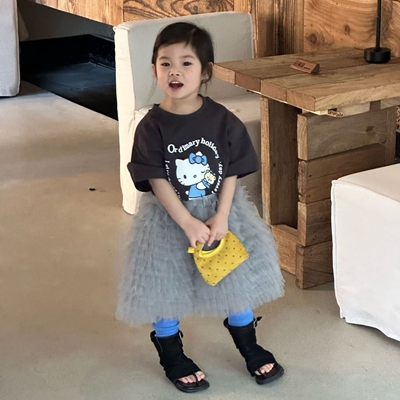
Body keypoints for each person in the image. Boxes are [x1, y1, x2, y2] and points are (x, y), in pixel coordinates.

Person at [116, 21, 285, 394]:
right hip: (168, 218)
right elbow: (156, 179)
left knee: (233, 277)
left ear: (205, 71)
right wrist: (187, 222)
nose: (174, 71)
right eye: (165, 63)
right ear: (154, 69)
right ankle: (171, 353)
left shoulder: (222, 119)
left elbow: (231, 170)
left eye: (186, 63)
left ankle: (248, 344)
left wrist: (221, 216)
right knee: (166, 284)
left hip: (220, 212)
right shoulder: (151, 126)